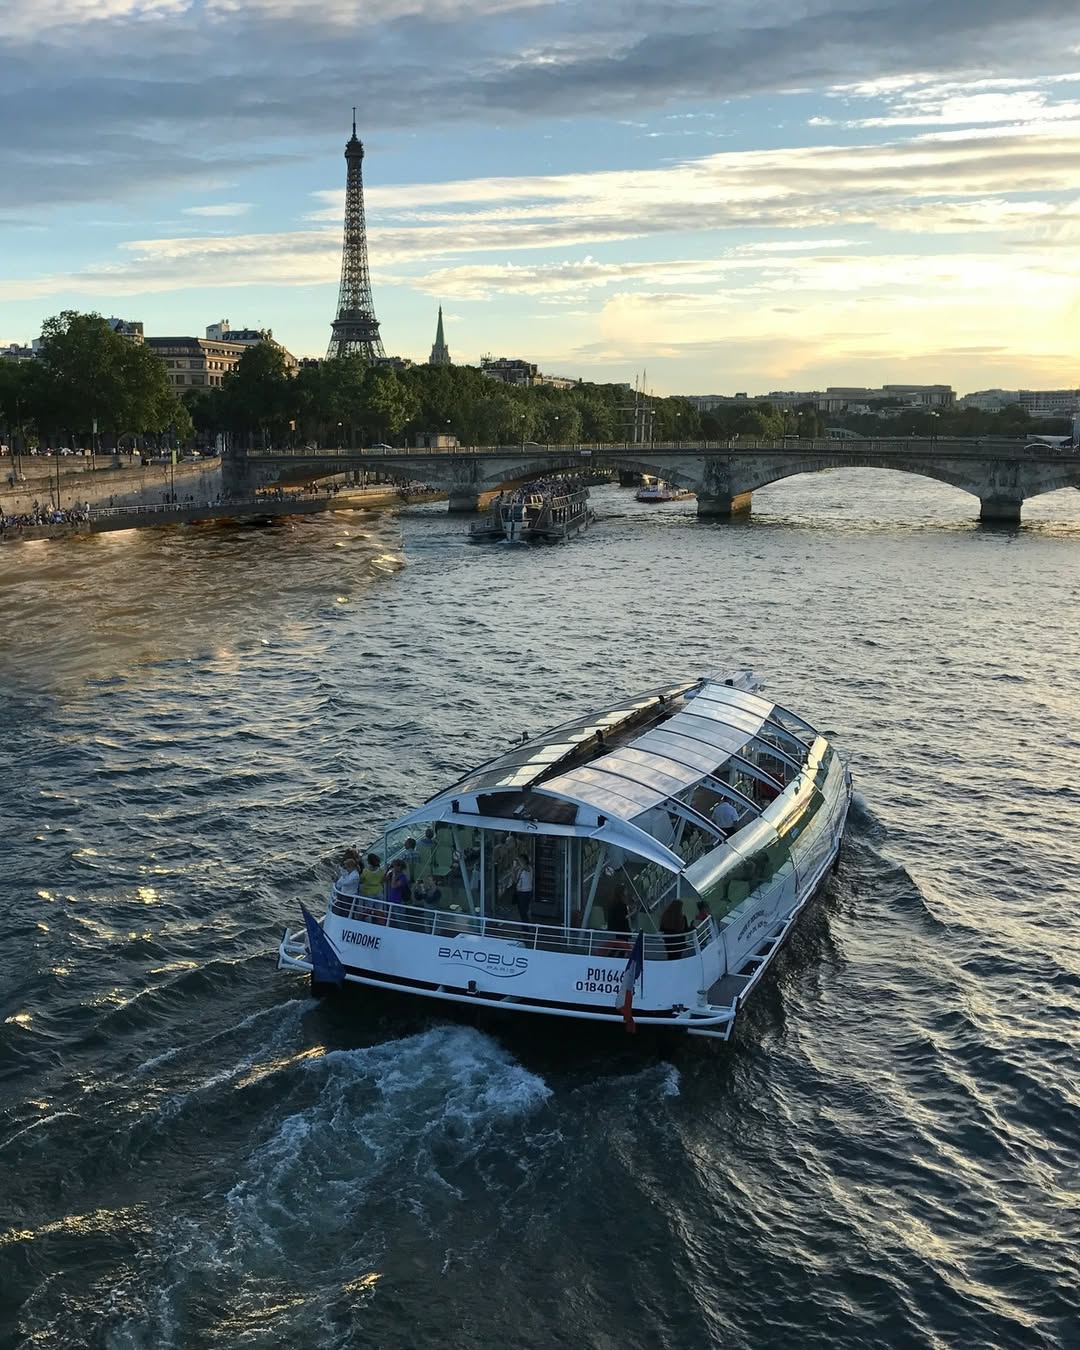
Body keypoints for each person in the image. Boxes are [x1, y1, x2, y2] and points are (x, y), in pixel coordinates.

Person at [333, 850, 362, 918]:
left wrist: (337, 881)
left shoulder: (355, 876)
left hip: (350, 896)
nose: (345, 869)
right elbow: (343, 879)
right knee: (342, 909)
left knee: (347, 911)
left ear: (350, 867)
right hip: (345, 894)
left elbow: (345, 883)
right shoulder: (349, 873)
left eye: (346, 867)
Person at [514, 854, 534, 924]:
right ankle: (525, 928)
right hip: (520, 891)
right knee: (521, 911)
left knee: (523, 911)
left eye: (521, 860)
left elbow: (525, 868)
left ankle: (527, 929)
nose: (519, 861)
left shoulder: (528, 868)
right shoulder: (520, 869)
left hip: (525, 892)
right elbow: (516, 880)